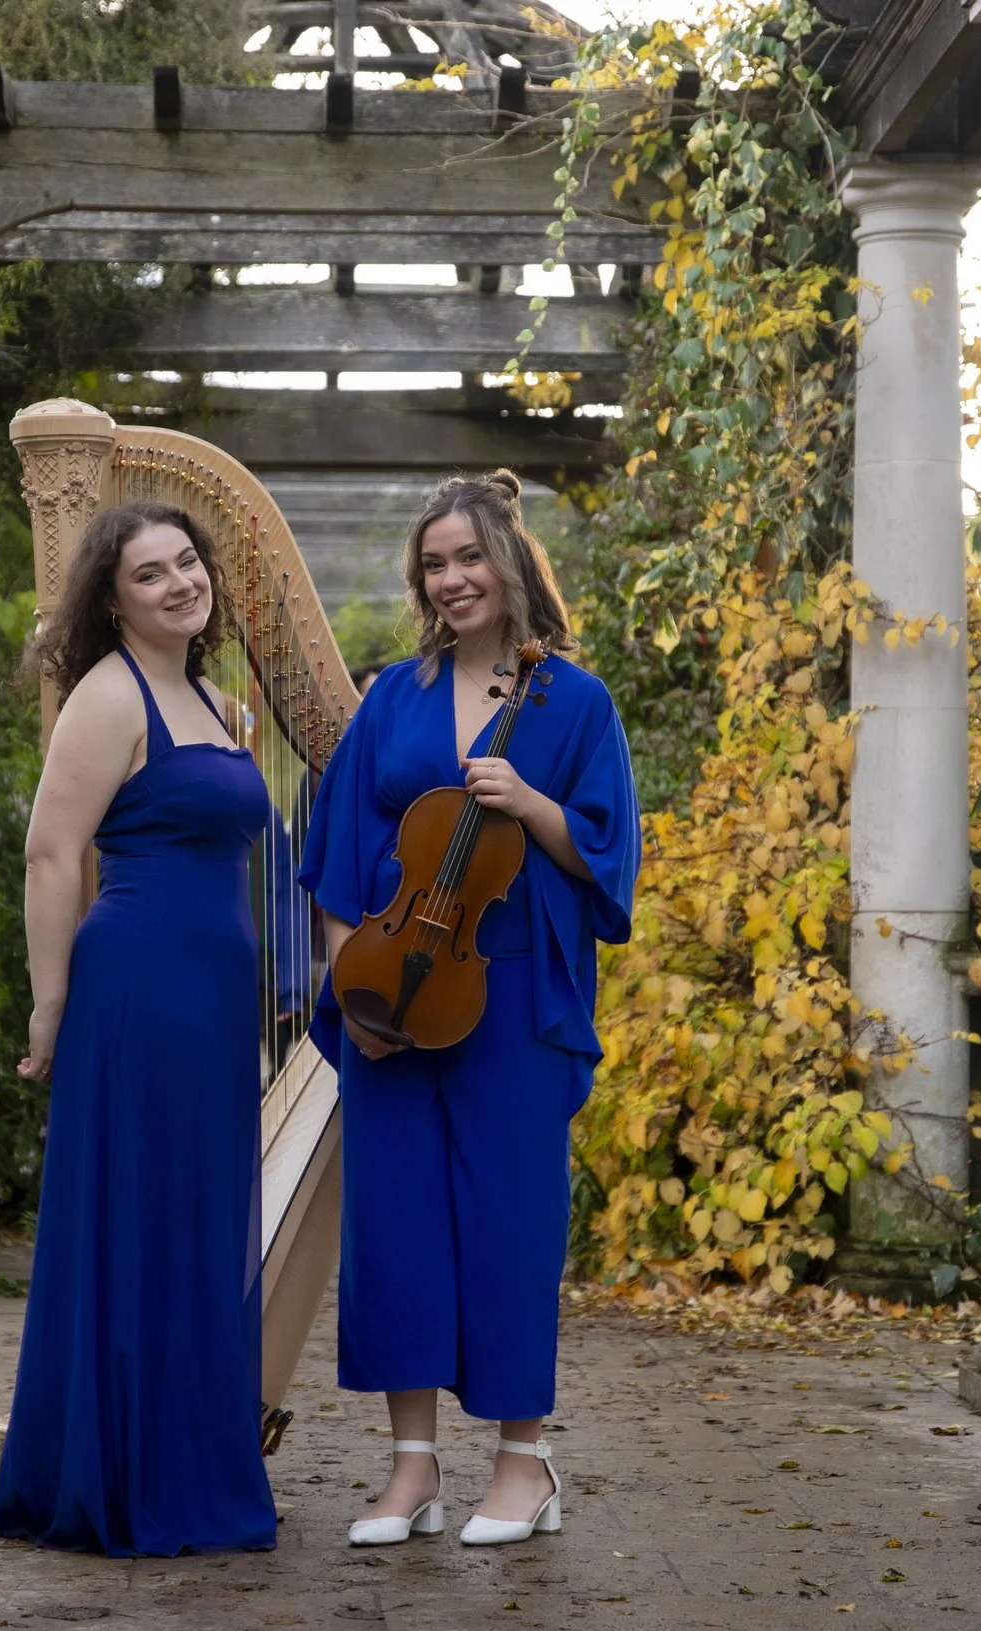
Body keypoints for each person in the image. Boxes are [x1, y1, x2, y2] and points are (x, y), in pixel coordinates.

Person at [298, 470, 639, 1549]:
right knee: (394, 1223)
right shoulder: (394, 698)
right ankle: (412, 1466)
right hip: (395, 990)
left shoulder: (574, 702)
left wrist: (531, 803)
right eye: (433, 565)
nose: (451, 579)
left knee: (508, 1221)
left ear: (509, 560)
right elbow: (338, 853)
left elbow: (608, 857)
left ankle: (522, 1463)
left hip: (513, 991)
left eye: (467, 558)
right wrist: (355, 986)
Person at [0, 501, 278, 1557]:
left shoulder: (213, 700)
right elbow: (50, 852)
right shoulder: (109, 697)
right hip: (140, 991)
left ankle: (184, 1461)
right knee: (143, 1219)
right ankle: (124, 1477)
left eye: (187, 562)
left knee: (197, 1221)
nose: (179, 583)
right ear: (112, 601)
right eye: (149, 573)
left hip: (211, 1000)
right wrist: (50, 1002)